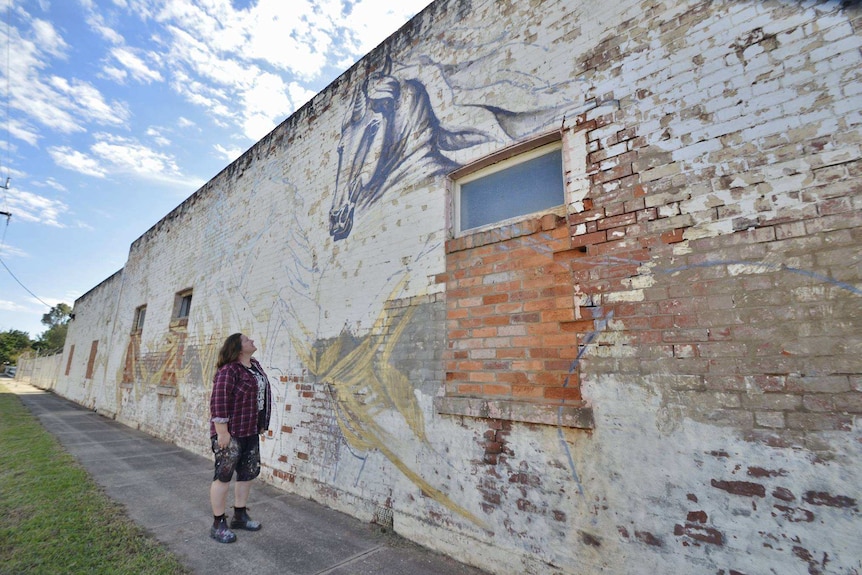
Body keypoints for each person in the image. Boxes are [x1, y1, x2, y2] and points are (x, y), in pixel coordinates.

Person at [208, 333, 272, 543]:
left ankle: (240, 515)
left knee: (247, 474)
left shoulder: (255, 366)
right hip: (231, 433)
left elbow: (260, 398)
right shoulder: (229, 370)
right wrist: (222, 432)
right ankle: (218, 524)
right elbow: (219, 401)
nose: (252, 341)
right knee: (223, 476)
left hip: (250, 431)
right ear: (237, 348)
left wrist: (261, 424)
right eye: (246, 340)